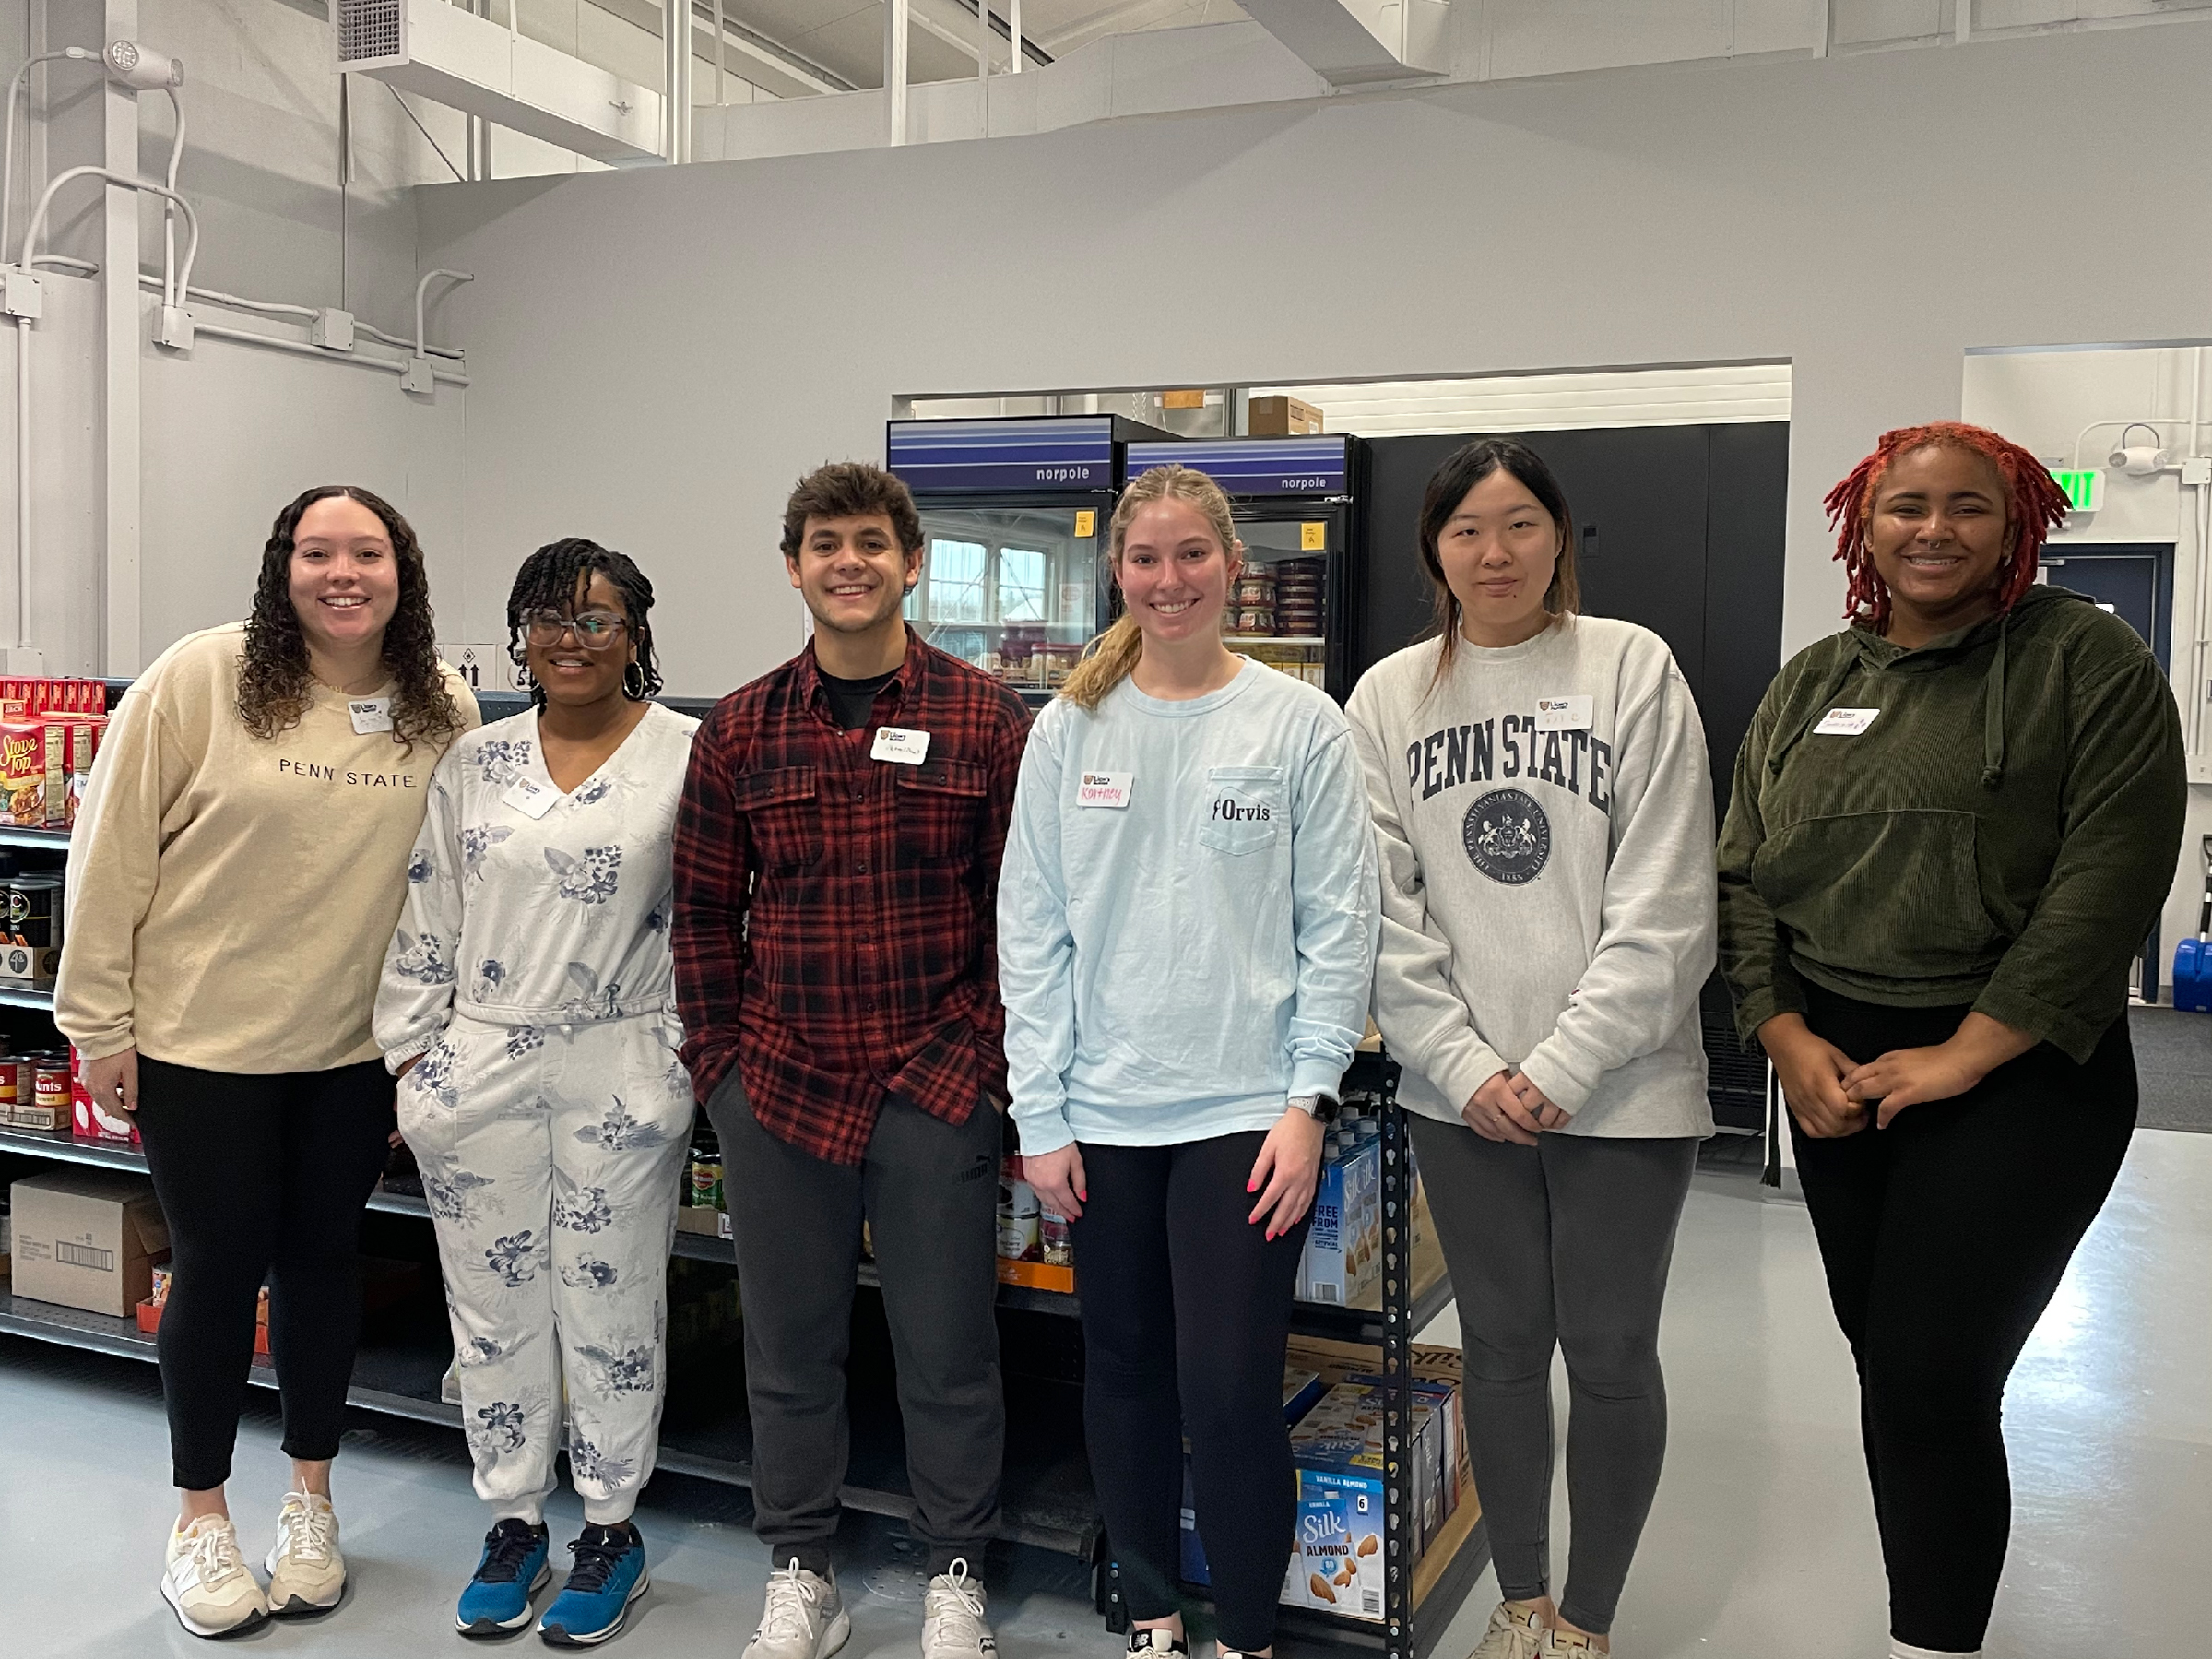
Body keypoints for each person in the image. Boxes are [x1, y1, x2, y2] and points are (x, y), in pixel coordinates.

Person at [1717, 422, 2185, 1659]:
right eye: (1904, 505)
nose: (1932, 528)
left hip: (2021, 1068)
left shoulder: (2081, 658)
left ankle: (1928, 1642)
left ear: (2014, 520)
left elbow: (2108, 871)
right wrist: (1778, 1033)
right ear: (1858, 524)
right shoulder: (1812, 679)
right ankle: (1925, 1615)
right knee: (1896, 1375)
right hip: (1836, 1069)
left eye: (1964, 506)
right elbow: (1742, 873)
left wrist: (1967, 1051)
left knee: (1928, 1375)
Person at [56, 485, 478, 1639]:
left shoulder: (439, 699)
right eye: (317, 551)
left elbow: (448, 883)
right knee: (215, 1262)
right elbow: (109, 856)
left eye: (368, 551)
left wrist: (424, 1043)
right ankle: (199, 1518)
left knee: (320, 1260)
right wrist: (97, 1024)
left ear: (405, 567)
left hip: (352, 1048)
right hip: (201, 1042)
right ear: (280, 566)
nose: (343, 573)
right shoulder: (201, 676)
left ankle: (309, 1499)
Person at [1001, 463, 1380, 1659]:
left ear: (1229, 565)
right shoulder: (1069, 726)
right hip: (1100, 1114)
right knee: (1119, 1366)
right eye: (1144, 558)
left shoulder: (1294, 724)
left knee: (1225, 1384)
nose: (1167, 580)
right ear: (1116, 571)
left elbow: (1339, 924)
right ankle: (1154, 1613)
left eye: (1189, 555)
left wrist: (1305, 1098)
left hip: (1241, 1112)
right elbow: (1032, 926)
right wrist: (1039, 1110)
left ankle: (1250, 1633)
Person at [1346, 438, 1717, 1659]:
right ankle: (1517, 1601)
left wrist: (1558, 1064)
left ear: (1558, 536)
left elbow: (1664, 899)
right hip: (1460, 1095)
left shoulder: (1630, 667)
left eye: (1516, 525)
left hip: (1621, 1086)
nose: (1492, 551)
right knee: (1498, 1348)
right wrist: (1461, 1064)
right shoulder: (1387, 696)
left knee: (1609, 1350)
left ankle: (1585, 1621)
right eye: (1465, 530)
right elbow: (1377, 905)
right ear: (1433, 551)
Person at [672, 461, 1030, 1659]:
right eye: (824, 543)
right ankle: (800, 1567)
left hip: (935, 1080)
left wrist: (983, 1057)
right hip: (777, 1085)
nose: (848, 562)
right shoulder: (737, 727)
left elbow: (1022, 913)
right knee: (788, 1347)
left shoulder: (987, 718)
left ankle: (954, 1571)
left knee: (948, 1348)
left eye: (871, 542)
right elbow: (701, 914)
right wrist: (718, 1066)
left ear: (909, 560)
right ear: (792, 565)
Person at [374, 539, 697, 1647]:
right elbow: (429, 911)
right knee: (491, 1306)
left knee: (611, 1302)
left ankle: (610, 1527)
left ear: (636, 633)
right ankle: (513, 1519)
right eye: (549, 617)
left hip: (623, 1060)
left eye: (598, 617)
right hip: (481, 1059)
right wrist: (414, 1062)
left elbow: (718, 917)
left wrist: (682, 1053)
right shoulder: (475, 760)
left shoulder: (686, 757)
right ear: (521, 633)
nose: (571, 637)